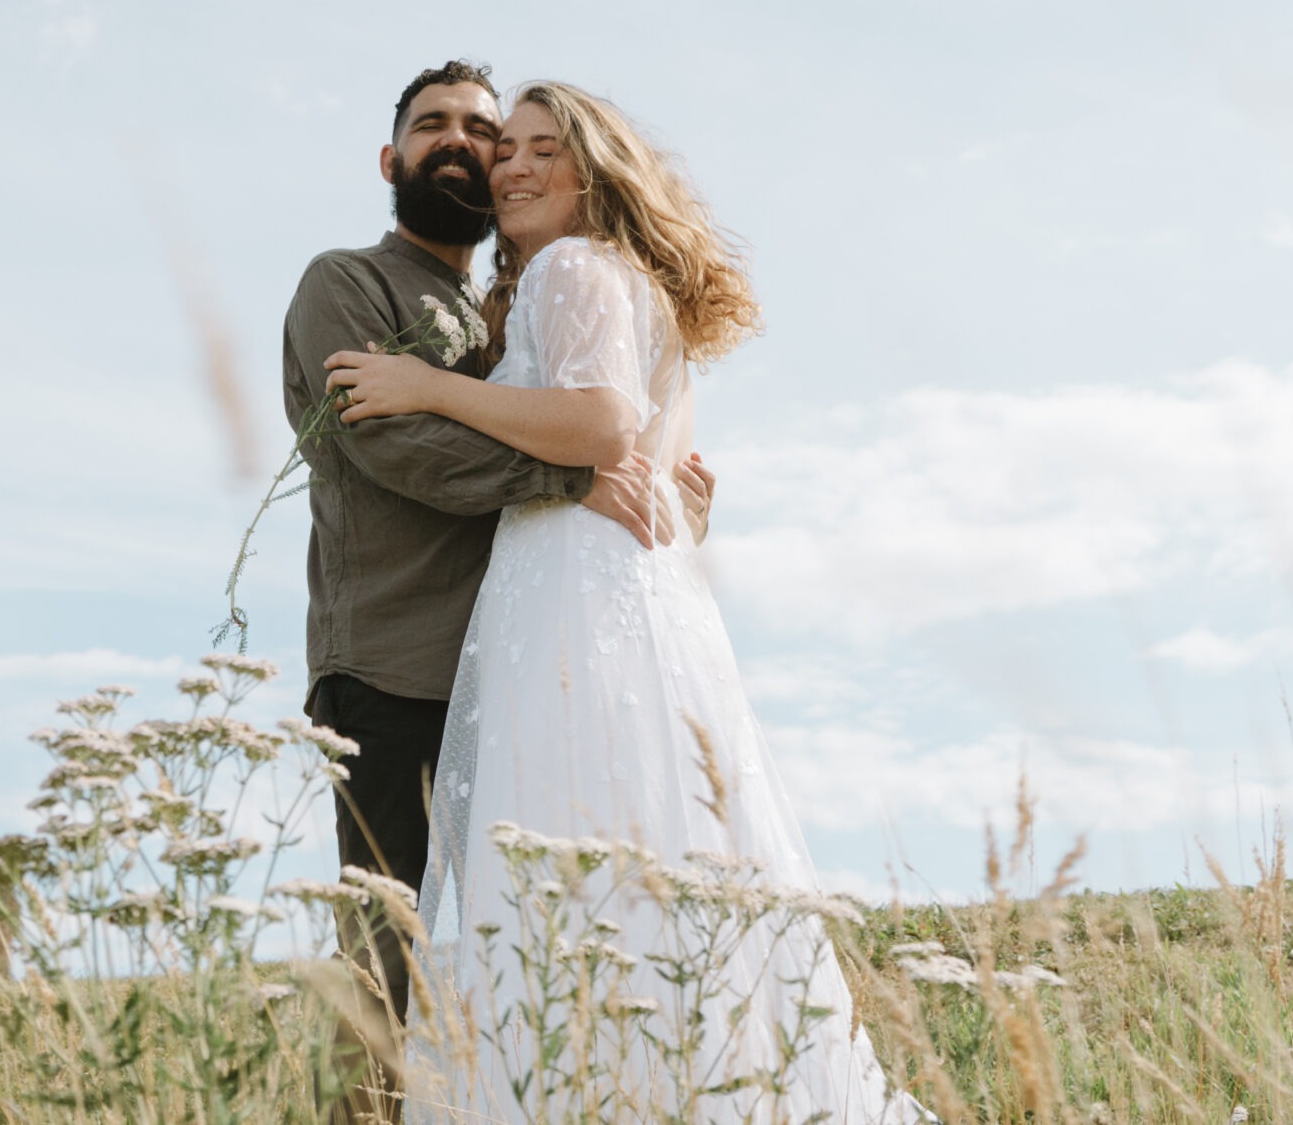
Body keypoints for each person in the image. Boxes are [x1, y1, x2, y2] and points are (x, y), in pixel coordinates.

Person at [326, 80, 920, 1123]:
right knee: (637, 858)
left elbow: (600, 427)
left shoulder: (570, 265)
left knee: (560, 862)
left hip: (568, 596)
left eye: (541, 148)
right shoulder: (629, 286)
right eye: (503, 148)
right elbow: (658, 481)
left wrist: (428, 388)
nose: (511, 164)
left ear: (595, 170)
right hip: (623, 594)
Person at [282, 61, 707, 1122]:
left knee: (512, 968)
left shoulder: (507, 307)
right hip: (391, 669)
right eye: (437, 128)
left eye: (488, 128)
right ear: (393, 161)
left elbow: (598, 418)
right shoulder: (346, 282)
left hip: (513, 673)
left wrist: (660, 488)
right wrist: (573, 475)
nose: (468, 144)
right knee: (393, 974)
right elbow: (401, 447)